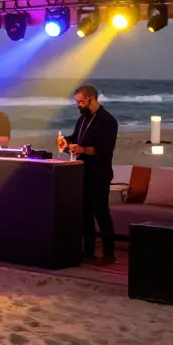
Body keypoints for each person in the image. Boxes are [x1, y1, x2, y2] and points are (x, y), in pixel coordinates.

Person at [57, 85, 119, 265]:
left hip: (99, 173)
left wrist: (82, 149)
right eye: (77, 102)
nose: (78, 105)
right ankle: (88, 251)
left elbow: (105, 150)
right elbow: (76, 137)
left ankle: (109, 253)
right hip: (82, 171)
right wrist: (65, 141)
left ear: (92, 99)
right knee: (84, 213)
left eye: (81, 102)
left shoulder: (108, 121)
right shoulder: (83, 119)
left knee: (101, 212)